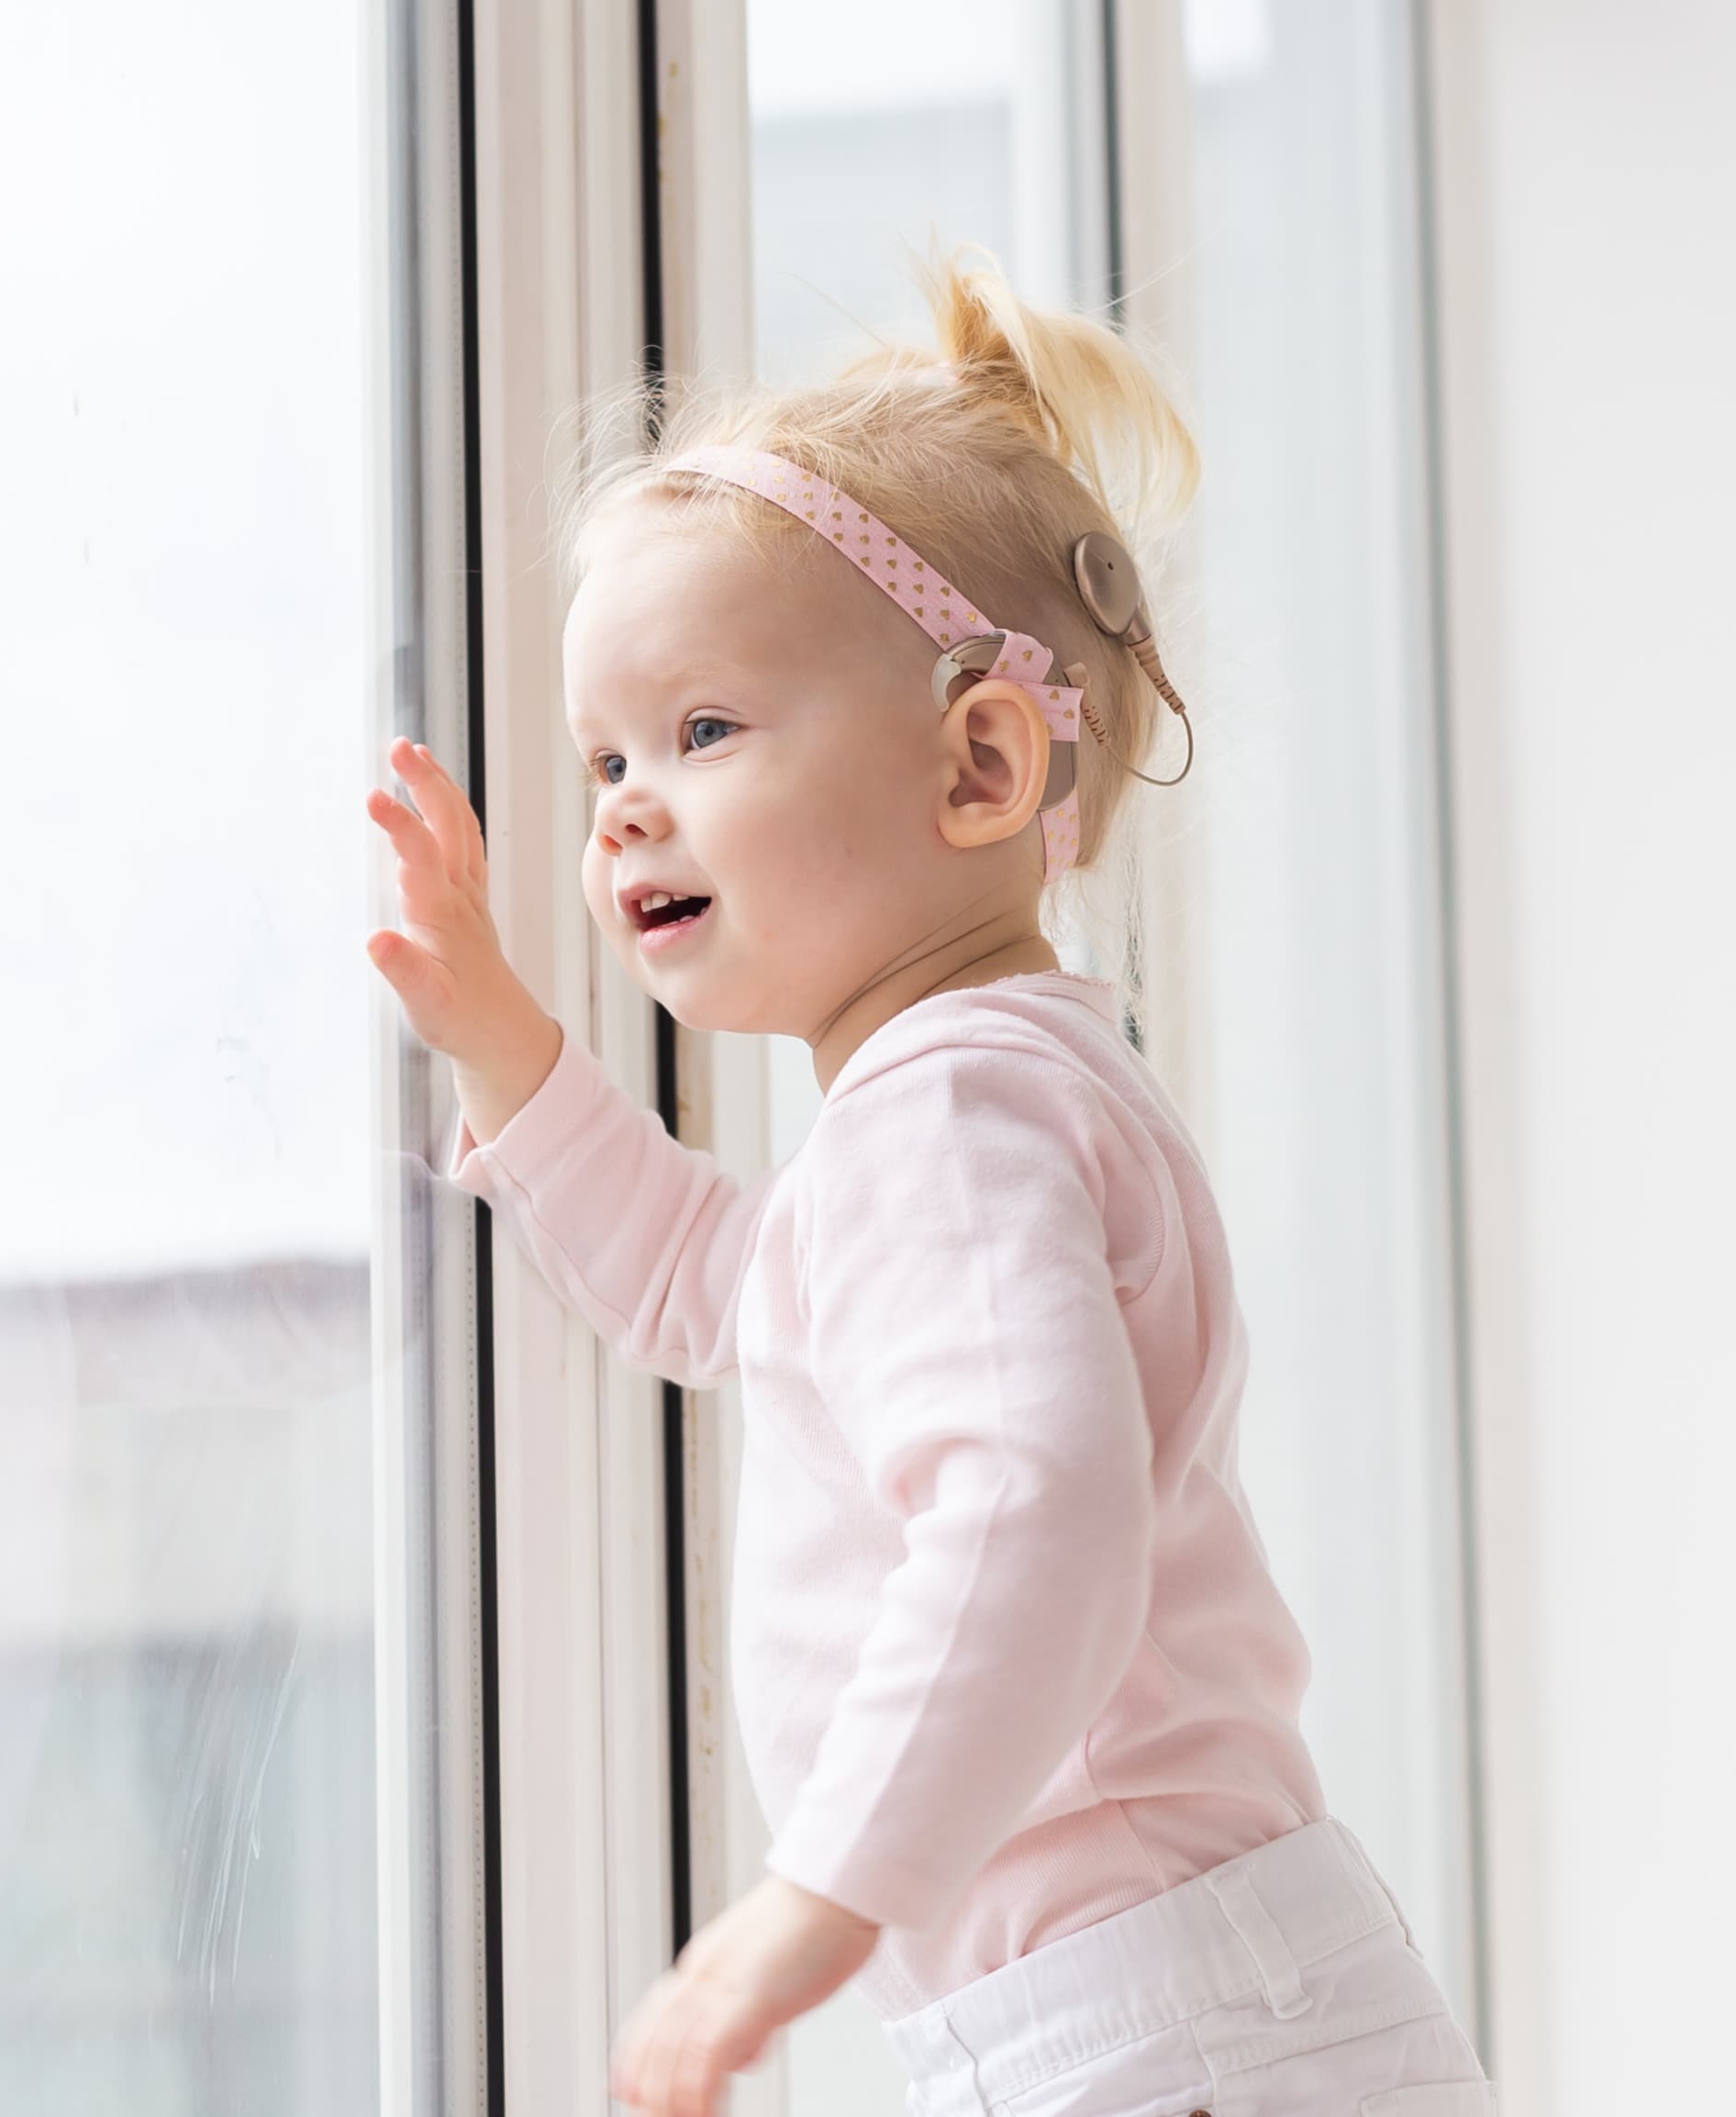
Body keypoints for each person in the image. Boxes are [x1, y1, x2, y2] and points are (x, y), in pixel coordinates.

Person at [364, 243, 1498, 2117]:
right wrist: (505, 1039)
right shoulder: (978, 1095)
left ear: (976, 761)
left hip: (1164, 2029)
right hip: (1180, 2000)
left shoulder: (945, 1114)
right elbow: (716, 1284)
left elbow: (1025, 1506)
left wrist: (812, 1901)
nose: (623, 803)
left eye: (702, 730)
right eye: (604, 759)